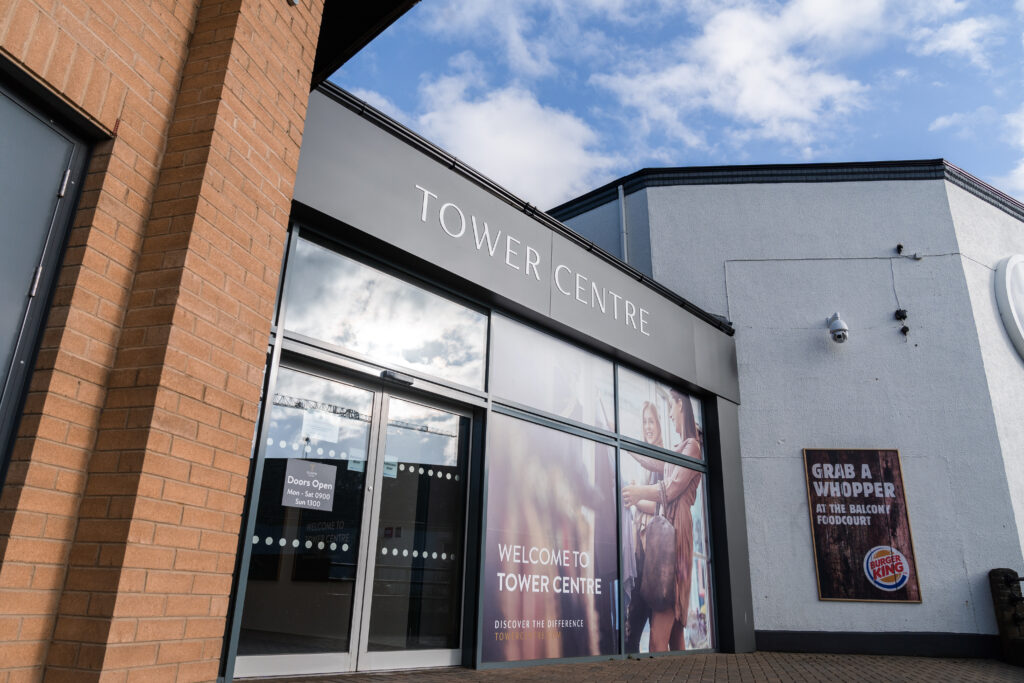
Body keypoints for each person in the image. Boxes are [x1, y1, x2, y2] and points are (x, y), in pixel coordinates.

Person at [621, 390, 701, 651]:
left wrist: (638, 493)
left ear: (681, 405)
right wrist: (618, 438)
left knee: (658, 637)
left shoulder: (691, 447)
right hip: (672, 533)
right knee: (676, 634)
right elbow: (651, 462)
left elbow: (670, 490)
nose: (668, 413)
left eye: (670, 406)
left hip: (676, 534)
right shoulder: (681, 448)